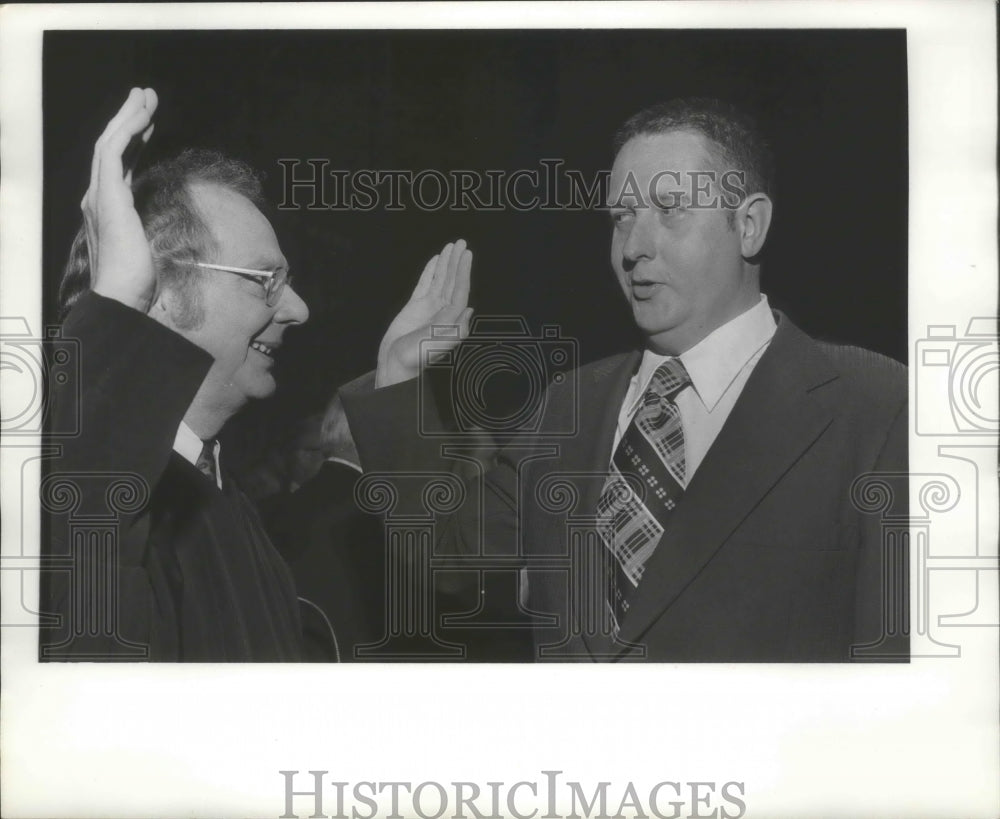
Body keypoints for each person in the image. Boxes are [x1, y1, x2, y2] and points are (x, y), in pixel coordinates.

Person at [341, 98, 909, 662]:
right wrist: (399, 376)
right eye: (622, 217)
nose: (634, 247)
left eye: (670, 209)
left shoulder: (875, 404)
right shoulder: (570, 406)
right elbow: (448, 563)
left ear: (749, 224)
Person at [41, 88, 316, 660]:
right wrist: (117, 300)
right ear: (161, 291)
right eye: (266, 279)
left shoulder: (227, 501)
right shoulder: (62, 491)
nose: (297, 309)